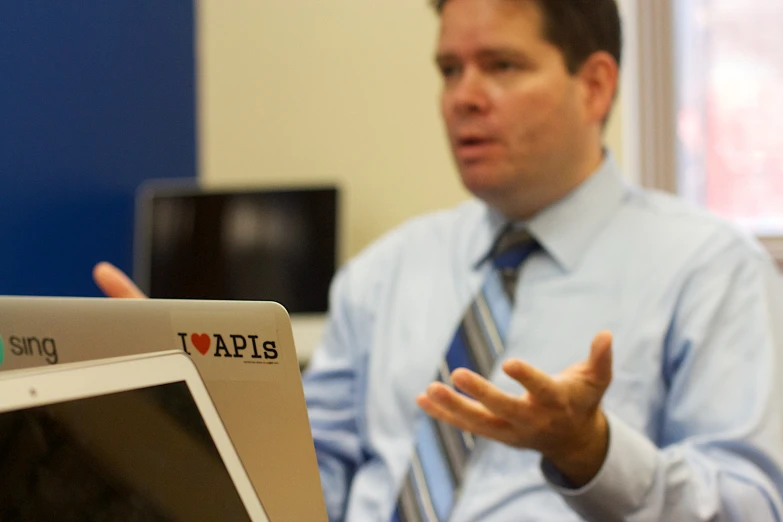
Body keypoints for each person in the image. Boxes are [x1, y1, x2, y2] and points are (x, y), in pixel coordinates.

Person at [94, 0, 783, 520]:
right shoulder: (385, 269)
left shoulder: (711, 269)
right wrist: (203, 416)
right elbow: (317, 477)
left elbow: (752, 504)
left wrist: (592, 453)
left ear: (595, 86)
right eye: (449, 69)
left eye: (501, 66)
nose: (463, 96)